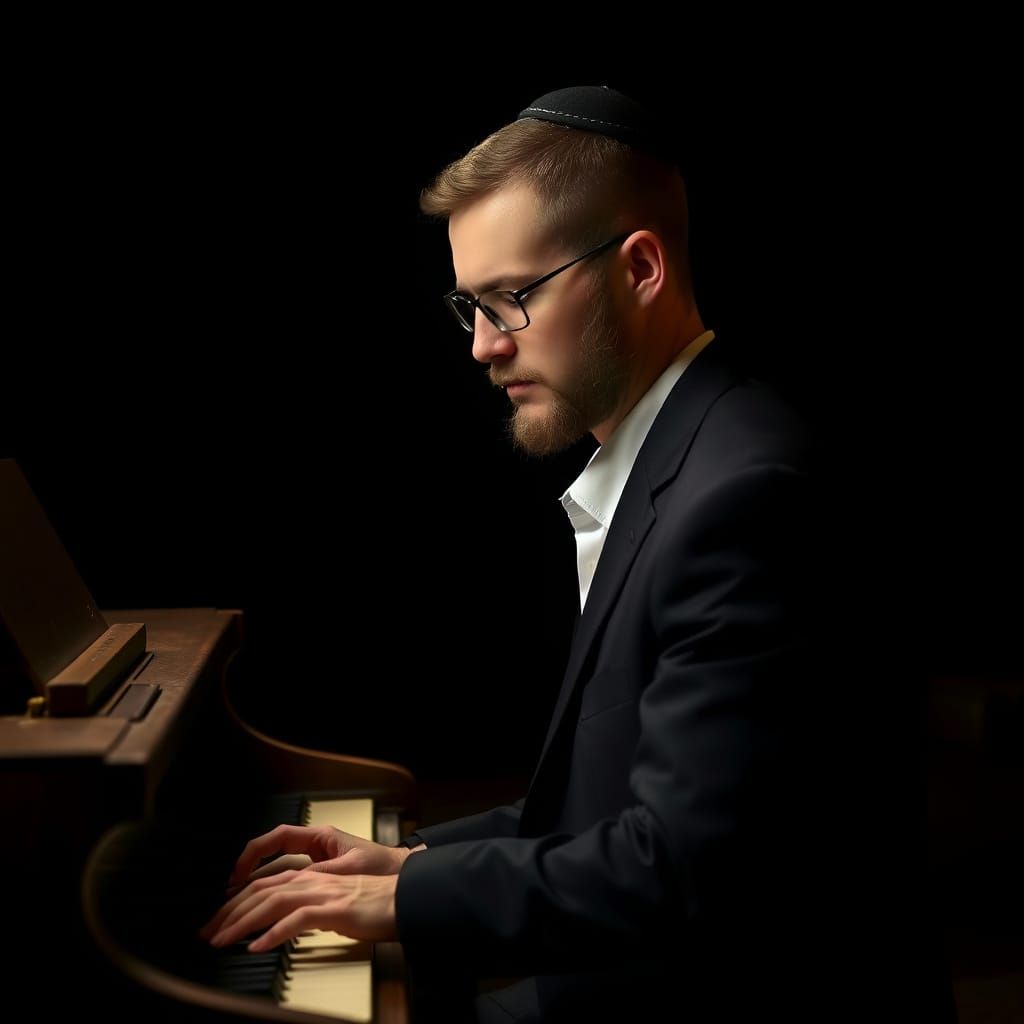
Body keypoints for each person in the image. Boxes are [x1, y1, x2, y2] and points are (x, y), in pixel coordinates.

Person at [202, 86, 955, 1022]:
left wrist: (399, 901)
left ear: (640, 267)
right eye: (467, 306)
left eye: (510, 300)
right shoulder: (687, 451)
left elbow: (676, 869)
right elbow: (615, 818)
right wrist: (413, 863)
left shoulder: (746, 498)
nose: (480, 346)